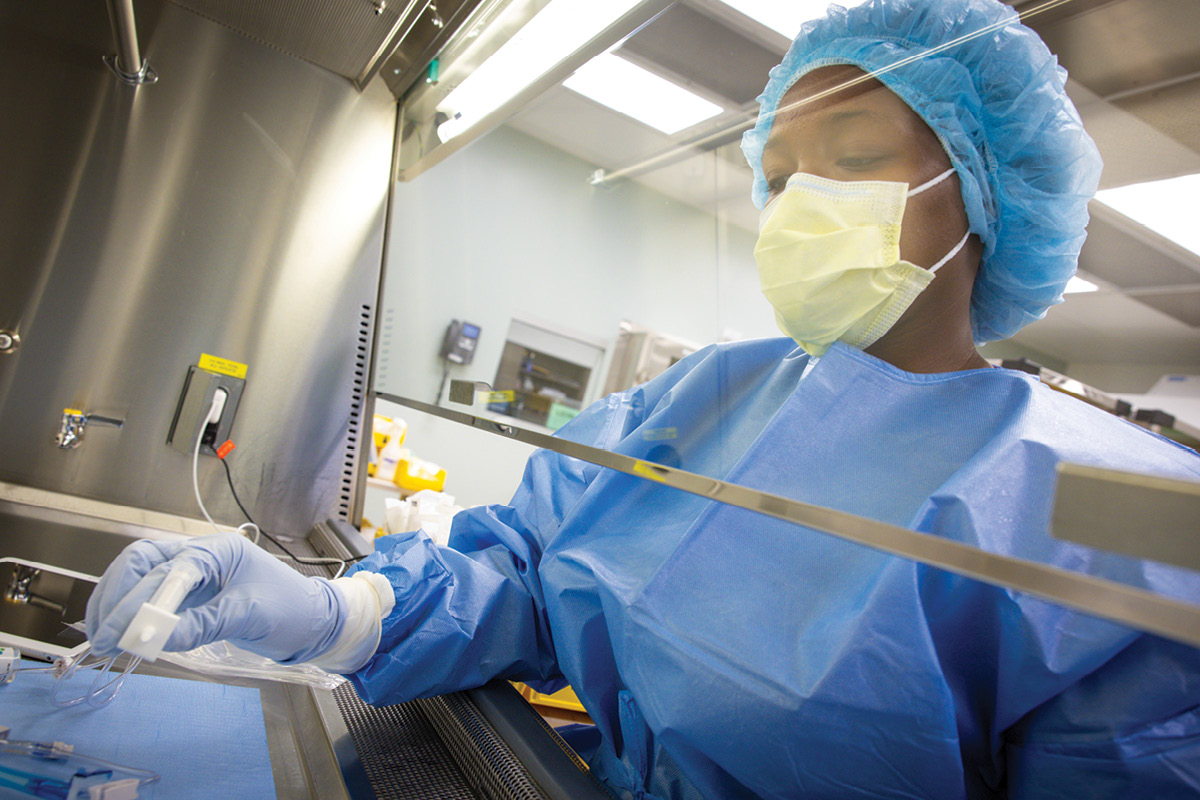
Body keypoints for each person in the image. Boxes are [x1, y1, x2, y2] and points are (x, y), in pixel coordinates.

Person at [87, 1, 1200, 797]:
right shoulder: (709, 397)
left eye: (853, 158)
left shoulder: (1091, 519)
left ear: (982, 198)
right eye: (778, 181)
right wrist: (342, 611)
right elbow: (522, 565)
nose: (799, 208)